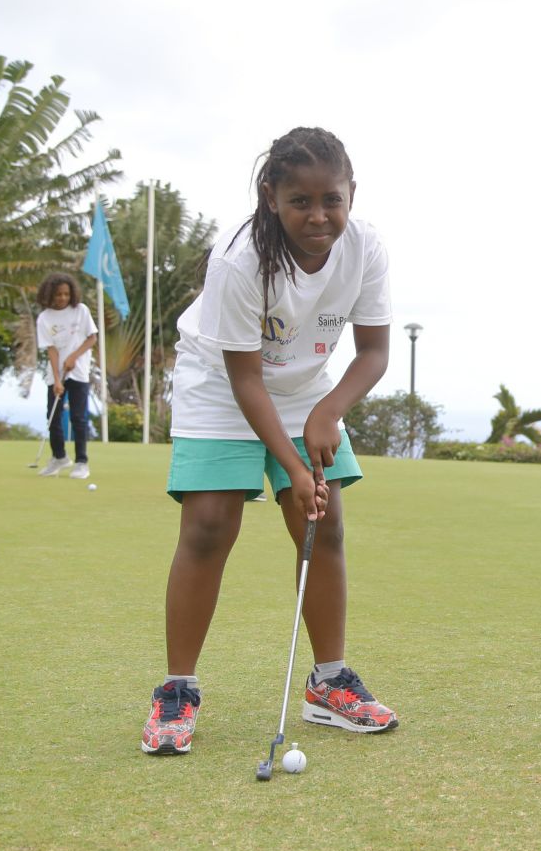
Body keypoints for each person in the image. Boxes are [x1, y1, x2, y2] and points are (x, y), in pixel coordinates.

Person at [142, 126, 399, 755]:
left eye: (331, 200)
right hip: (221, 380)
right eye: (300, 202)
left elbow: (374, 352)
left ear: (351, 193)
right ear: (270, 197)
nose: (318, 216)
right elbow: (245, 379)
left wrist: (328, 413)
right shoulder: (240, 259)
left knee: (325, 521)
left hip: (308, 386)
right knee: (208, 523)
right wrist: (292, 463)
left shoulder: (365, 248)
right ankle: (178, 689)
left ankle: (329, 683)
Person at [34, 273, 98, 479]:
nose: (62, 298)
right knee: (52, 417)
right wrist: (57, 379)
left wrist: (73, 356)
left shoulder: (81, 311)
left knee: (78, 418)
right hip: (56, 374)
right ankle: (59, 457)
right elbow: (50, 350)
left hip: (79, 372)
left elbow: (91, 338)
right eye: (58, 294)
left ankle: (81, 462)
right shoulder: (44, 318)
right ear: (50, 294)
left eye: (66, 294)